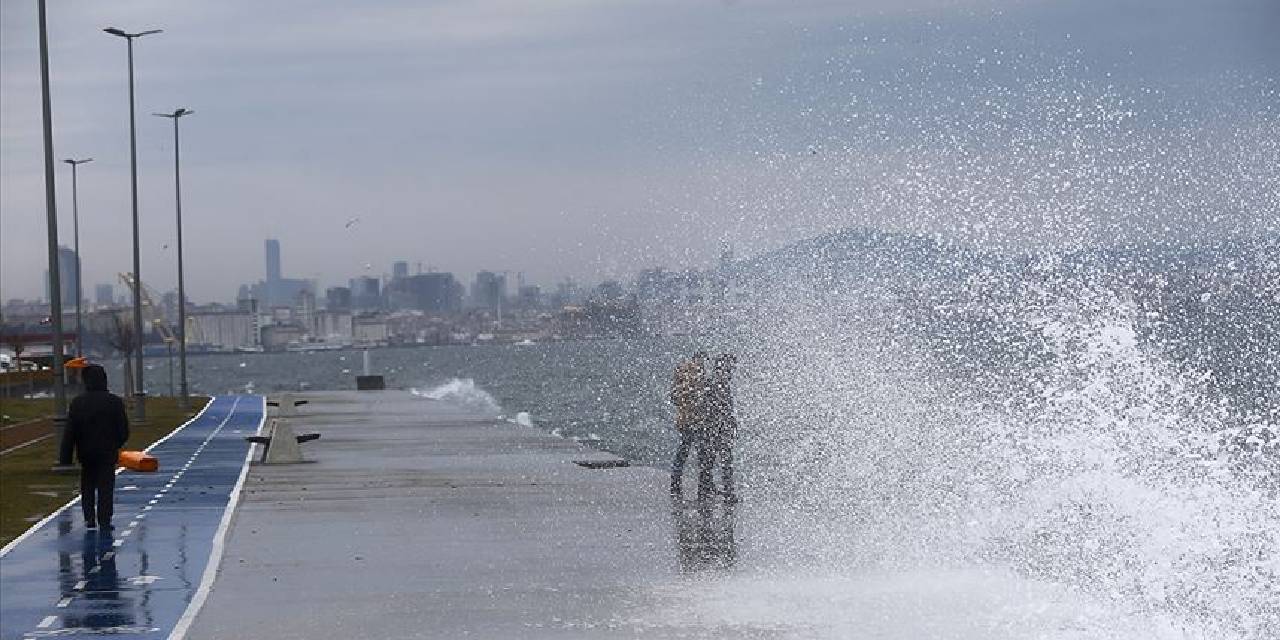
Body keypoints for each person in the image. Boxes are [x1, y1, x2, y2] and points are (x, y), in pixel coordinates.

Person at [64, 364, 129, 530]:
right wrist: (115, 444)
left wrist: (65, 457)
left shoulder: (77, 403)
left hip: (86, 452)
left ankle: (89, 518)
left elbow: (70, 432)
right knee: (106, 487)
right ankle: (105, 519)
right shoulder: (114, 402)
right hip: (107, 452)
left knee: (87, 485)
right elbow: (123, 430)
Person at [669, 351, 709, 497]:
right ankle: (704, 486)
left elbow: (673, 397)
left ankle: (675, 484)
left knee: (683, 451)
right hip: (697, 420)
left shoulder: (681, 374)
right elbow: (702, 399)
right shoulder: (697, 375)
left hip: (683, 420)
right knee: (702, 454)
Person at [704, 353, 739, 503]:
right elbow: (720, 408)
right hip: (718, 429)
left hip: (717, 429)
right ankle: (725, 492)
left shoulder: (716, 383)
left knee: (713, 461)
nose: (731, 372)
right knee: (723, 461)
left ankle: (710, 489)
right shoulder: (718, 384)